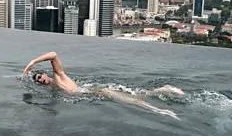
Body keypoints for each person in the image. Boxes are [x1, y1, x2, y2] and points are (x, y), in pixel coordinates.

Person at [22, 52, 184, 120]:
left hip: (100, 92)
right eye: (37, 81)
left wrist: (33, 62)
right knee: (136, 96)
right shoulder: (52, 88)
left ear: (45, 74)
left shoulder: (58, 77)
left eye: (40, 77)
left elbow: (54, 55)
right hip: (94, 94)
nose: (40, 80)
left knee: (133, 102)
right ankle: (164, 89)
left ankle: (162, 111)